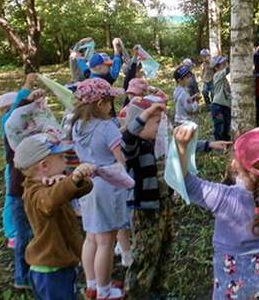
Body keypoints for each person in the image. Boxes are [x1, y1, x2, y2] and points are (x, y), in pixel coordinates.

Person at [176, 125, 259, 299]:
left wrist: (181, 148)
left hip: (230, 291)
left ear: (234, 164)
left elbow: (187, 184)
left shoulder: (222, 197)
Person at [15, 133, 94, 300]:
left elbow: (84, 188)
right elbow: (49, 201)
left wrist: (74, 181)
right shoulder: (34, 194)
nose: (65, 161)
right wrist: (71, 179)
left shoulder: (52, 185)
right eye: (61, 157)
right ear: (44, 165)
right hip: (51, 271)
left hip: (61, 265)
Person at [72, 78, 127, 300]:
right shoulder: (106, 128)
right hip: (107, 187)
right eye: (110, 101)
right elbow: (120, 160)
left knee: (91, 237)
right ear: (100, 103)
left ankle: (92, 284)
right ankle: (105, 291)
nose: (112, 105)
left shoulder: (77, 125)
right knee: (106, 241)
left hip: (85, 183)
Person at [121, 97, 172, 299]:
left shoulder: (152, 143)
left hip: (162, 203)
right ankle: (136, 293)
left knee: (163, 248)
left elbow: (177, 148)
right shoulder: (133, 148)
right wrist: (146, 112)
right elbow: (128, 137)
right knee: (145, 254)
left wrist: (209, 145)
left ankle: (157, 291)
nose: (159, 127)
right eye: (156, 123)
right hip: (144, 208)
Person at [1, 74, 45, 290]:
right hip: (19, 193)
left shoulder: (25, 131)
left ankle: (29, 274)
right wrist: (28, 94)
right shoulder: (13, 133)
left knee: (30, 234)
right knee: (24, 235)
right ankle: (23, 278)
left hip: (26, 191)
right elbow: (17, 114)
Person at [0, 91, 18, 249]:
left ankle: (13, 231)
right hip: (11, 167)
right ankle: (12, 233)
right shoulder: (7, 120)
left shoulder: (9, 119)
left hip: (13, 166)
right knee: (11, 199)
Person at [211, 56, 231, 141]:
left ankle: (225, 140)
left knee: (227, 124)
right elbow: (228, 69)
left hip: (226, 105)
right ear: (216, 67)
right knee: (219, 125)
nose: (225, 65)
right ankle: (219, 142)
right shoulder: (217, 75)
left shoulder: (224, 79)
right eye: (223, 64)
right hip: (218, 105)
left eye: (225, 63)